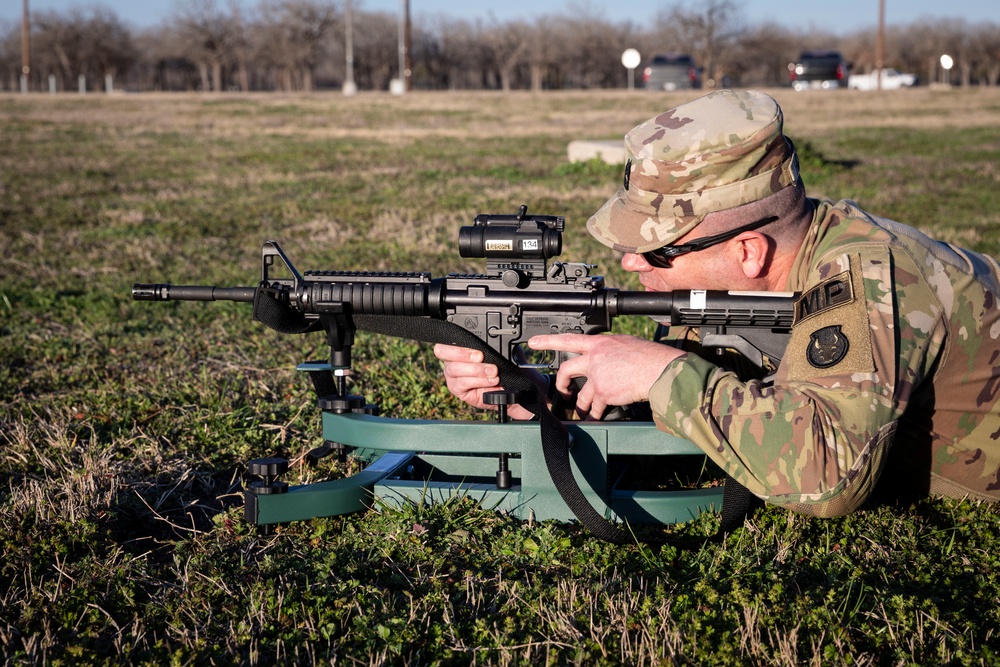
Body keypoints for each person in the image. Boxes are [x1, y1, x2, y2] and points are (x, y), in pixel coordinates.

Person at [434, 89, 1000, 518]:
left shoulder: (868, 278)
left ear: (749, 251)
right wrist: (547, 395)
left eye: (656, 252)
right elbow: (708, 412)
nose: (631, 263)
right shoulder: (742, 292)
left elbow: (828, 475)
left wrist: (663, 372)